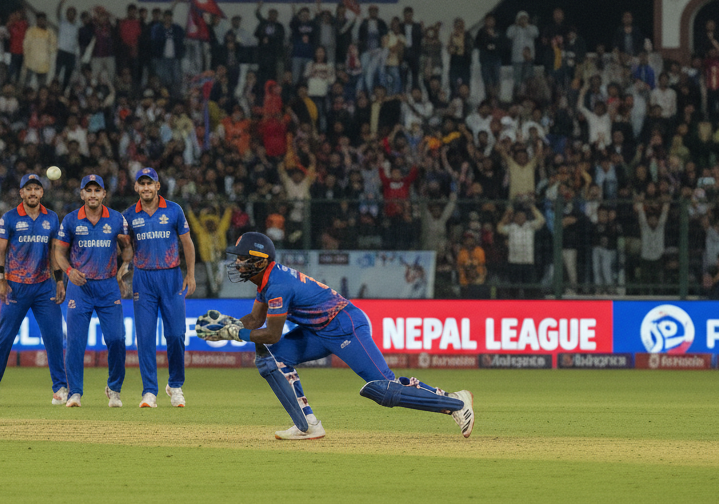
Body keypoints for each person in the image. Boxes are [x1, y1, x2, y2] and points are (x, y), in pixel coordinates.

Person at [198, 233, 474, 440]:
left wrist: (235, 332)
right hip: (319, 331)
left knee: (383, 388)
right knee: (271, 359)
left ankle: (456, 404)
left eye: (243, 258)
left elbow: (270, 333)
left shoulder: (277, 284)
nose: (238, 263)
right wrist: (231, 324)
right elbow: (256, 320)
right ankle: (308, 426)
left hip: (345, 326)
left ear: (260, 261)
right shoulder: (266, 280)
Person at [0, 173, 68, 407]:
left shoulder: (51, 218)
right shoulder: (9, 218)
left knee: (54, 338)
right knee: (4, 338)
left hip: (44, 286)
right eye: (28, 189)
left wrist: (59, 280)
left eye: (36, 189)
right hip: (15, 286)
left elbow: (55, 253)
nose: (32, 193)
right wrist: (0, 279)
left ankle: (60, 388)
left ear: (42, 193)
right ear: (21, 193)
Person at [52, 174, 132, 408]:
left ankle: (114, 389)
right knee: (76, 342)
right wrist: (68, 272)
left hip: (108, 287)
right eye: (89, 190)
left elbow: (127, 250)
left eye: (97, 190)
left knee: (117, 340)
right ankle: (75, 392)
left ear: (104, 194)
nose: (93, 195)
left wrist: (123, 270)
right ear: (82, 194)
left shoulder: (117, 219)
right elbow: (59, 253)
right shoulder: (70, 220)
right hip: (80, 287)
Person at [122, 167, 196, 408]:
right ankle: (149, 392)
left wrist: (191, 274)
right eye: (141, 184)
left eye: (149, 183)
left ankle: (175, 385)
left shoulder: (174, 210)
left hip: (172, 277)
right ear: (136, 188)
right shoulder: (129, 215)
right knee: (144, 338)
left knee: (176, 335)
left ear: (157, 186)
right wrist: (121, 272)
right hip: (143, 279)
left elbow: (187, 242)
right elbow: (124, 249)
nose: (146, 188)